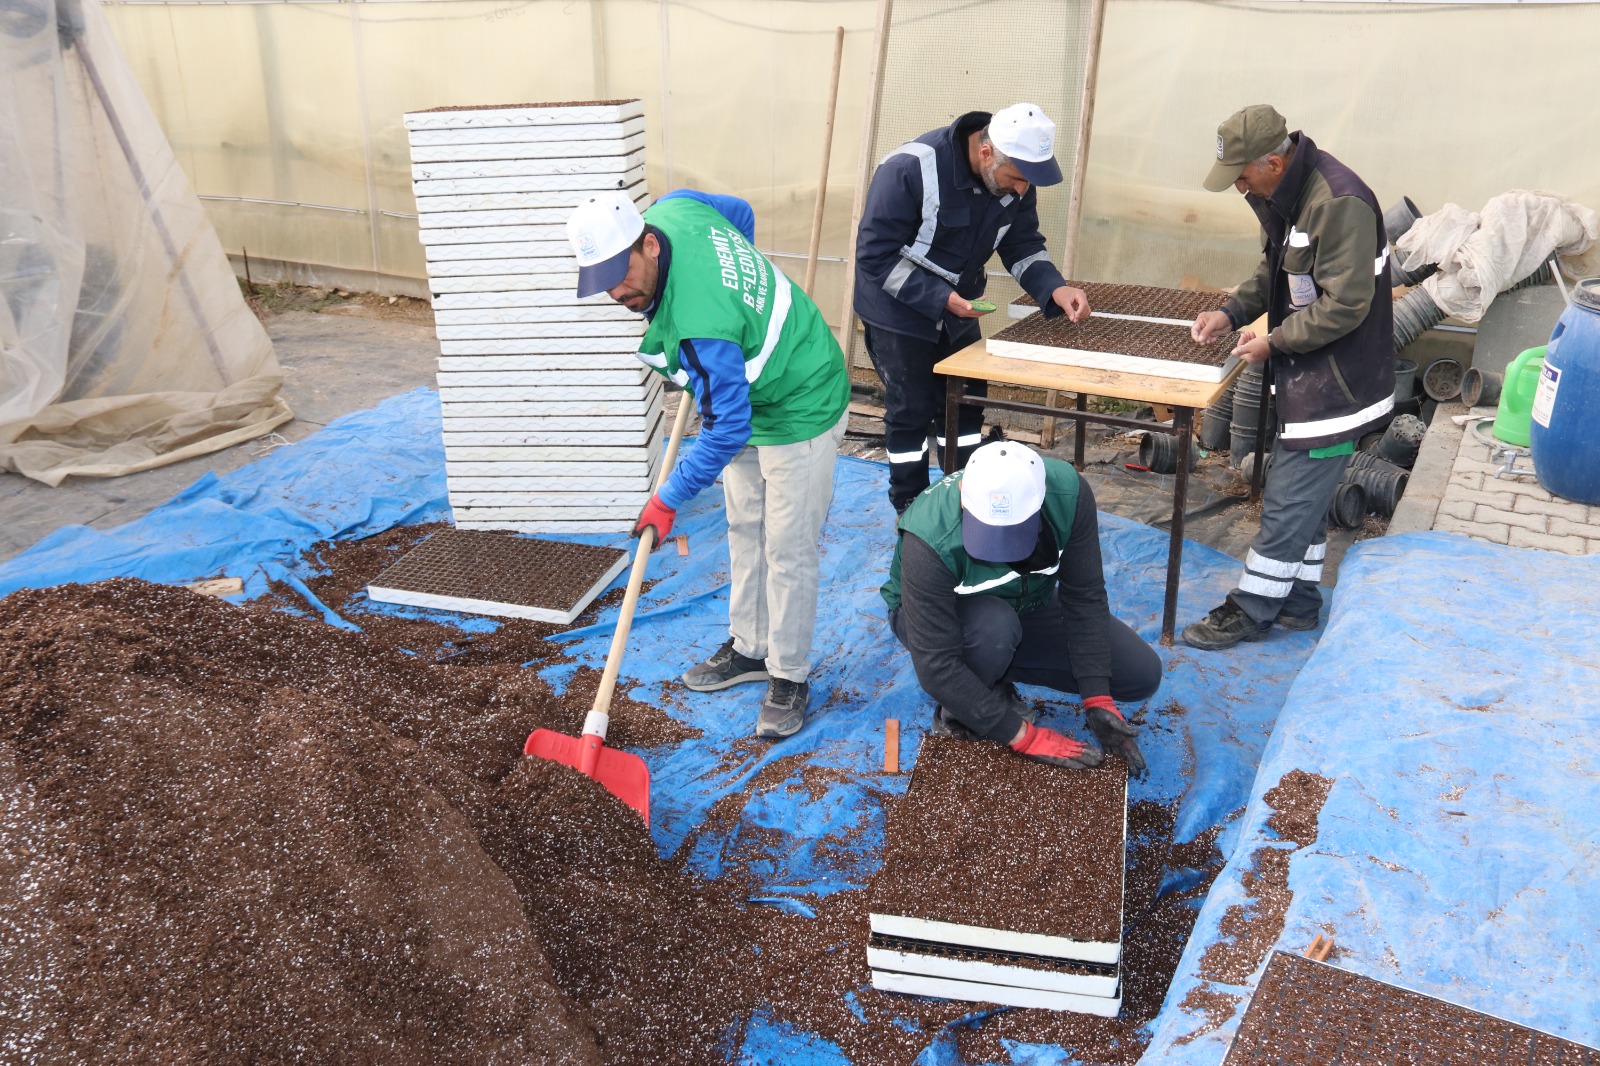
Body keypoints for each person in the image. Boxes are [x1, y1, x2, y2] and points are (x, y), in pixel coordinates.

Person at [566, 189, 851, 738]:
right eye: (600, 279)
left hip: (801, 396)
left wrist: (667, 498)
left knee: (787, 546)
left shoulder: (701, 325)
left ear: (648, 244)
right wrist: (736, 290)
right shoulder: (677, 208)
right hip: (748, 387)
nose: (614, 291)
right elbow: (741, 212)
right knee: (746, 526)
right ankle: (750, 648)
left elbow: (726, 430)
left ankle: (788, 674)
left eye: (619, 274)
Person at [1182, 105, 1395, 652]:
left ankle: (1251, 609)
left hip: (1336, 387)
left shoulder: (1338, 202)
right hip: (1307, 374)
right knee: (1301, 501)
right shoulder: (1284, 195)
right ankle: (1299, 605)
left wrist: (1273, 342)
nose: (1238, 188)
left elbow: (1347, 305)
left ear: (1274, 161)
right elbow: (1275, 270)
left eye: (1242, 177)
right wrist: (1231, 312)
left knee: (1287, 499)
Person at [853, 103, 1092, 515]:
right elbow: (875, 256)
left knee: (963, 407)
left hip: (960, 308)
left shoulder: (1017, 177)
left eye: (1027, 182)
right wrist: (940, 298)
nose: (1021, 191)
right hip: (898, 309)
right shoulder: (909, 170)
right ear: (986, 154)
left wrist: (1054, 288)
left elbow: (1022, 245)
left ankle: (964, 497)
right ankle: (911, 508)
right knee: (911, 410)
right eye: (1016, 179)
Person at [880, 440, 1162, 773]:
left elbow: (1084, 596)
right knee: (993, 628)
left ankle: (988, 678)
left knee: (1140, 674)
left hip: (1027, 604)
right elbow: (936, 662)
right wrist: (1022, 736)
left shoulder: (1069, 496)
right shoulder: (929, 534)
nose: (1000, 551)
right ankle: (961, 709)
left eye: (1012, 535)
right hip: (948, 622)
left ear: (1039, 505)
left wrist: (1097, 695)